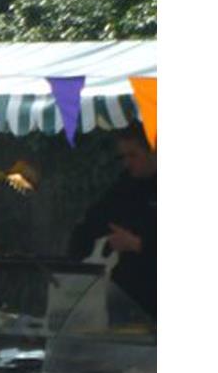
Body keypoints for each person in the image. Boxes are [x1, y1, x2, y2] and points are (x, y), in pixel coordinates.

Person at [66, 124, 157, 319]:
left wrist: (139, 244)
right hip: (124, 296)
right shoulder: (123, 187)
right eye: (123, 157)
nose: (127, 163)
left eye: (133, 155)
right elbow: (93, 222)